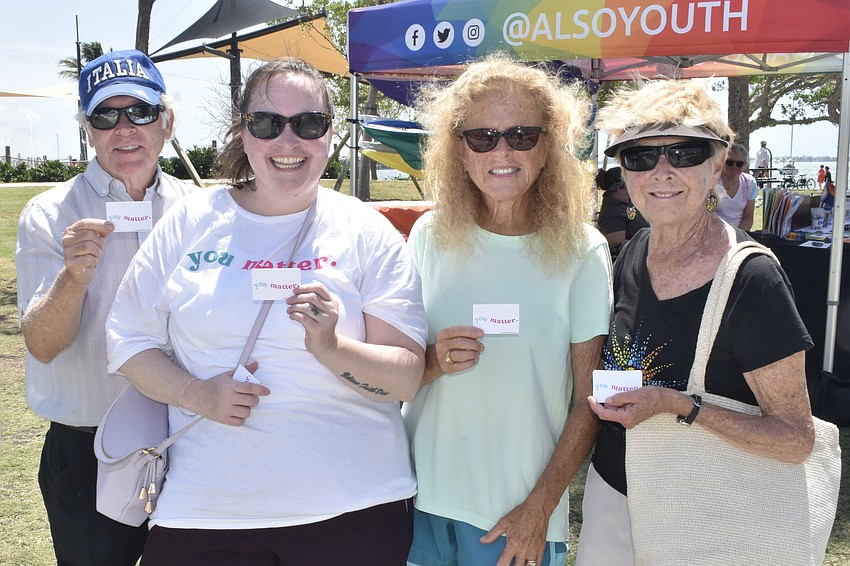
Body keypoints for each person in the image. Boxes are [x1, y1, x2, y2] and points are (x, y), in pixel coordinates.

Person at [105, 58, 427, 565]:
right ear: (242, 132)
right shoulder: (190, 222)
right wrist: (197, 394)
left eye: (308, 123)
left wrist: (333, 347)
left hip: (355, 507)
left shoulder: (366, 231)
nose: (288, 140)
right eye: (267, 124)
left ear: (330, 132)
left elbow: (406, 379)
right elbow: (127, 340)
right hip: (207, 510)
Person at [575, 79, 815, 565]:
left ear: (716, 164)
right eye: (640, 157)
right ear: (624, 172)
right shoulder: (634, 250)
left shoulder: (752, 278)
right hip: (612, 493)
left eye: (684, 153)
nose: (662, 172)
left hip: (705, 512)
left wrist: (679, 405)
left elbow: (795, 439)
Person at [404, 55, 613, 566]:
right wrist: (433, 361)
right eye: (482, 136)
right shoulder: (428, 235)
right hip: (418, 502)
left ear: (549, 147)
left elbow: (589, 402)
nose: (502, 151)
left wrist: (538, 510)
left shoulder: (581, 250)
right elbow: (397, 367)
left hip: (517, 519)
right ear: (459, 149)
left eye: (522, 135)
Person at [15, 50, 194, 565]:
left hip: (187, 441)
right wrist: (74, 278)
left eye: (140, 112)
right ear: (87, 129)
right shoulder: (51, 214)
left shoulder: (197, 211)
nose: (125, 129)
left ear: (167, 121)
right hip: (89, 451)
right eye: (105, 115)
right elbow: (43, 345)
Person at [595, 166, 649, 259]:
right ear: (619, 189)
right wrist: (653, 246)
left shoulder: (629, 205)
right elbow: (617, 245)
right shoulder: (611, 213)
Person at [716, 143, 758, 230]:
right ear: (722, 161)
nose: (734, 167)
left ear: (745, 165)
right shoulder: (712, 182)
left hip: (739, 232)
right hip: (713, 231)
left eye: (739, 164)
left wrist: (738, 237)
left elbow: (748, 218)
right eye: (729, 162)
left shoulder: (750, 182)